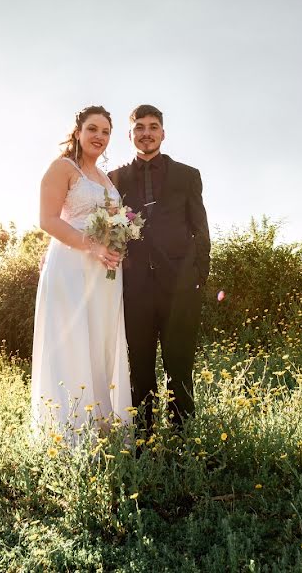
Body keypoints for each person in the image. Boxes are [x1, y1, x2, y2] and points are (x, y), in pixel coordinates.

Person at [30, 105, 132, 442]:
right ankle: (69, 431)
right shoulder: (63, 168)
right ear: (78, 132)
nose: (99, 137)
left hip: (104, 272)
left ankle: (102, 426)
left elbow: (118, 221)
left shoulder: (106, 178)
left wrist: (117, 244)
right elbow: (48, 220)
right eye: (92, 129)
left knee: (100, 342)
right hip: (72, 265)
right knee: (72, 343)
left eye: (105, 132)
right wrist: (91, 246)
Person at [108, 104, 210, 432]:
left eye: (153, 127)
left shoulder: (188, 175)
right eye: (140, 127)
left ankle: (183, 436)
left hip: (181, 288)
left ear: (163, 133)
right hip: (134, 288)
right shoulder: (114, 179)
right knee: (139, 367)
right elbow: (109, 232)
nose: (147, 133)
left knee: (179, 366)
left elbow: (200, 230)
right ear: (131, 135)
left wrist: (198, 278)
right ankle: (144, 437)